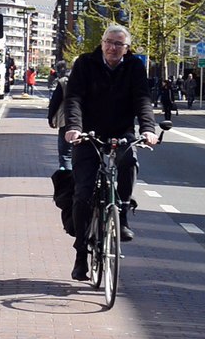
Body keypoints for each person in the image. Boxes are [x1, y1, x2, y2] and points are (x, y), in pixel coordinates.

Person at [62, 23, 158, 281]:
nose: (112, 47)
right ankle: (81, 255)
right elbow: (73, 99)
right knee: (82, 193)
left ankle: (122, 214)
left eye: (118, 44)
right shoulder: (85, 64)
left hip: (121, 130)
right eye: (108, 42)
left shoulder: (134, 67)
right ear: (102, 42)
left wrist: (148, 130)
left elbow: (142, 100)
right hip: (88, 134)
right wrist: (74, 128)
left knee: (128, 161)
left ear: (126, 49)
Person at [47, 60, 73, 233]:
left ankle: (67, 187)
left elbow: (55, 102)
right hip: (88, 127)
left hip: (67, 124)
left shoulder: (64, 82)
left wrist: (50, 118)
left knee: (65, 155)